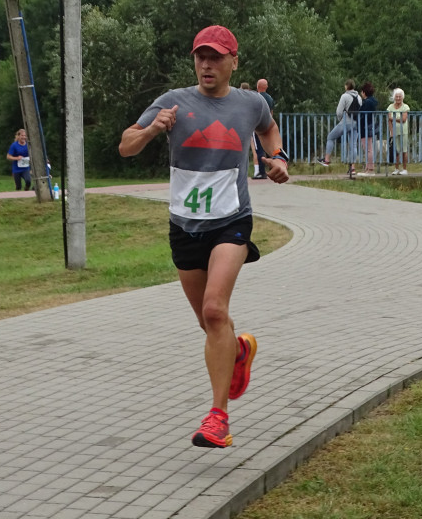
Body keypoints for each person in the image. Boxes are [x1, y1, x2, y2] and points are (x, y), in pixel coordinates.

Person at [119, 25, 289, 449]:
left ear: (234, 61)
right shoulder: (172, 102)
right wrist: (153, 129)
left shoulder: (251, 103)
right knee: (208, 323)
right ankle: (239, 350)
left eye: (216, 57)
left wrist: (277, 157)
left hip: (231, 220)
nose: (207, 64)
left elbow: (268, 130)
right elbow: (126, 146)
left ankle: (218, 419)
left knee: (215, 310)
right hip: (184, 226)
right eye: (200, 57)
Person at [316, 79, 361, 175]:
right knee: (353, 145)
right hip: (356, 123)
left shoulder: (345, 96)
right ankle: (353, 168)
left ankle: (327, 159)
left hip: (346, 122)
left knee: (330, 137)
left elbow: (339, 111)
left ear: (346, 86)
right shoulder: (359, 97)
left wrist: (340, 119)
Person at [252, 78, 275, 180]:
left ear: (257, 87)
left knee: (259, 149)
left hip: (257, 126)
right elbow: (271, 113)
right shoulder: (270, 98)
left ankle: (262, 172)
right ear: (266, 87)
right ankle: (273, 168)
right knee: (269, 147)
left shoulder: (256, 97)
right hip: (267, 125)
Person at [356, 82, 378, 176]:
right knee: (368, 148)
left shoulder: (368, 102)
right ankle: (367, 168)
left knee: (368, 149)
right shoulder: (373, 101)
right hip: (369, 126)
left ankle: (370, 169)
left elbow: (363, 115)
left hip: (365, 127)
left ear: (364, 92)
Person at [387, 88, 411, 175]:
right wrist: (391, 131)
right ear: (394, 97)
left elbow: (403, 119)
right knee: (396, 150)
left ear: (402, 97)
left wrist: (393, 118)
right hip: (394, 131)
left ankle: (404, 169)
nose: (398, 98)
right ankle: (396, 168)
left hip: (403, 131)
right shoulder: (390, 107)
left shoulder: (405, 107)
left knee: (404, 150)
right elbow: (388, 120)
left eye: (399, 97)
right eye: (396, 96)